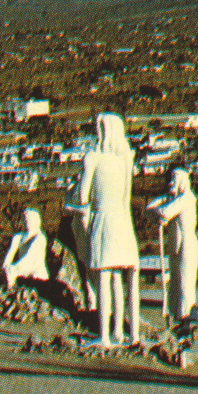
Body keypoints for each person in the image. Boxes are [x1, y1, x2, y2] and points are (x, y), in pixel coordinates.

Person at [74, 112, 140, 345]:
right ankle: (124, 333)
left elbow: (82, 197)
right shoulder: (124, 159)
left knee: (104, 276)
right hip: (122, 221)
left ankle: (104, 336)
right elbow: (126, 197)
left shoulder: (93, 157)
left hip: (103, 219)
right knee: (119, 278)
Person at [146, 167, 198, 325]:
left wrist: (160, 211)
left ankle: (189, 317)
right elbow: (148, 209)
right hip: (175, 244)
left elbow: (165, 212)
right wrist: (164, 200)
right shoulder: (173, 198)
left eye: (175, 179)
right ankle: (178, 316)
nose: (171, 182)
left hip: (187, 243)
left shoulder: (187, 198)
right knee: (175, 281)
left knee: (185, 281)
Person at [2, 209, 50, 289]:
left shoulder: (40, 236)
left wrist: (16, 267)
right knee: (10, 271)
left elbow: (31, 255)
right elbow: (10, 252)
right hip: (22, 268)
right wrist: (6, 265)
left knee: (13, 270)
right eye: (25, 220)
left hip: (35, 270)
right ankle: (12, 289)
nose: (27, 222)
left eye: (30, 220)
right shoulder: (18, 237)